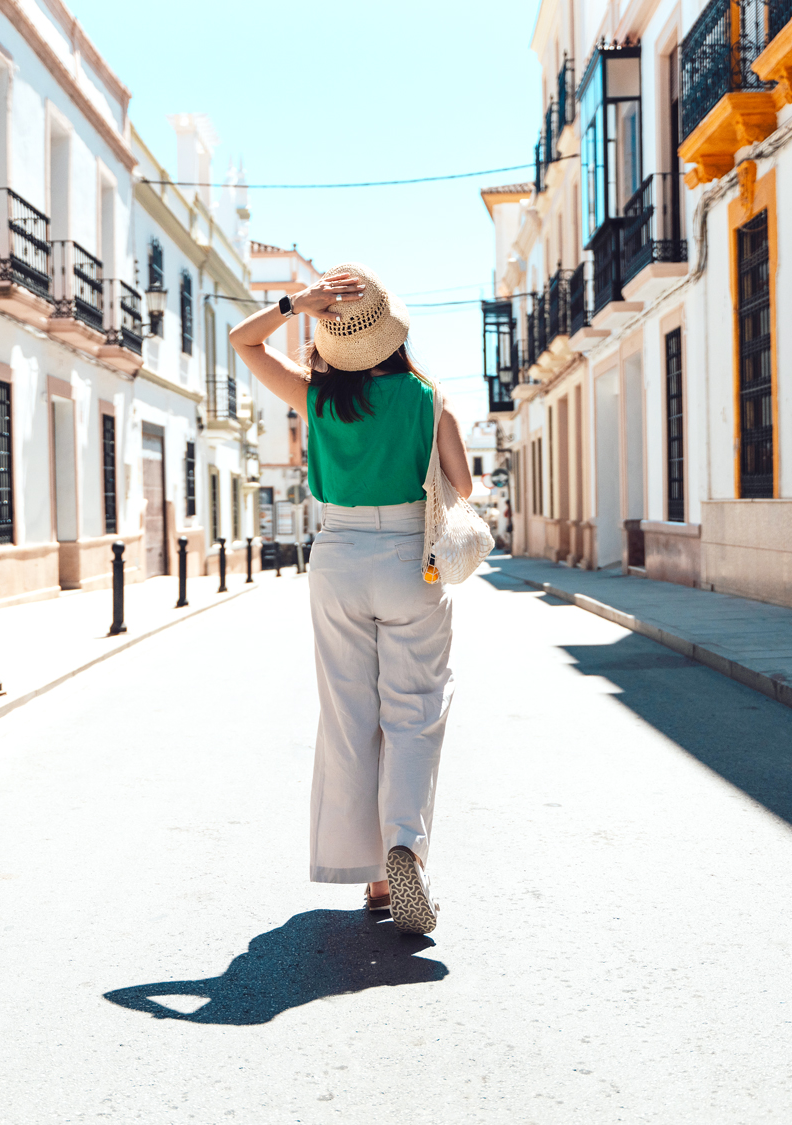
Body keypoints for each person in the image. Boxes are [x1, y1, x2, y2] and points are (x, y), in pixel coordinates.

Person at [230, 262, 473, 935]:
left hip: (336, 558)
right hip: (407, 560)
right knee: (415, 712)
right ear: (391, 332)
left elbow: (242, 343)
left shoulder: (315, 395)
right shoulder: (429, 399)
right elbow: (466, 486)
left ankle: (372, 875)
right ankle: (405, 850)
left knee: (349, 715)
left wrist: (293, 304)